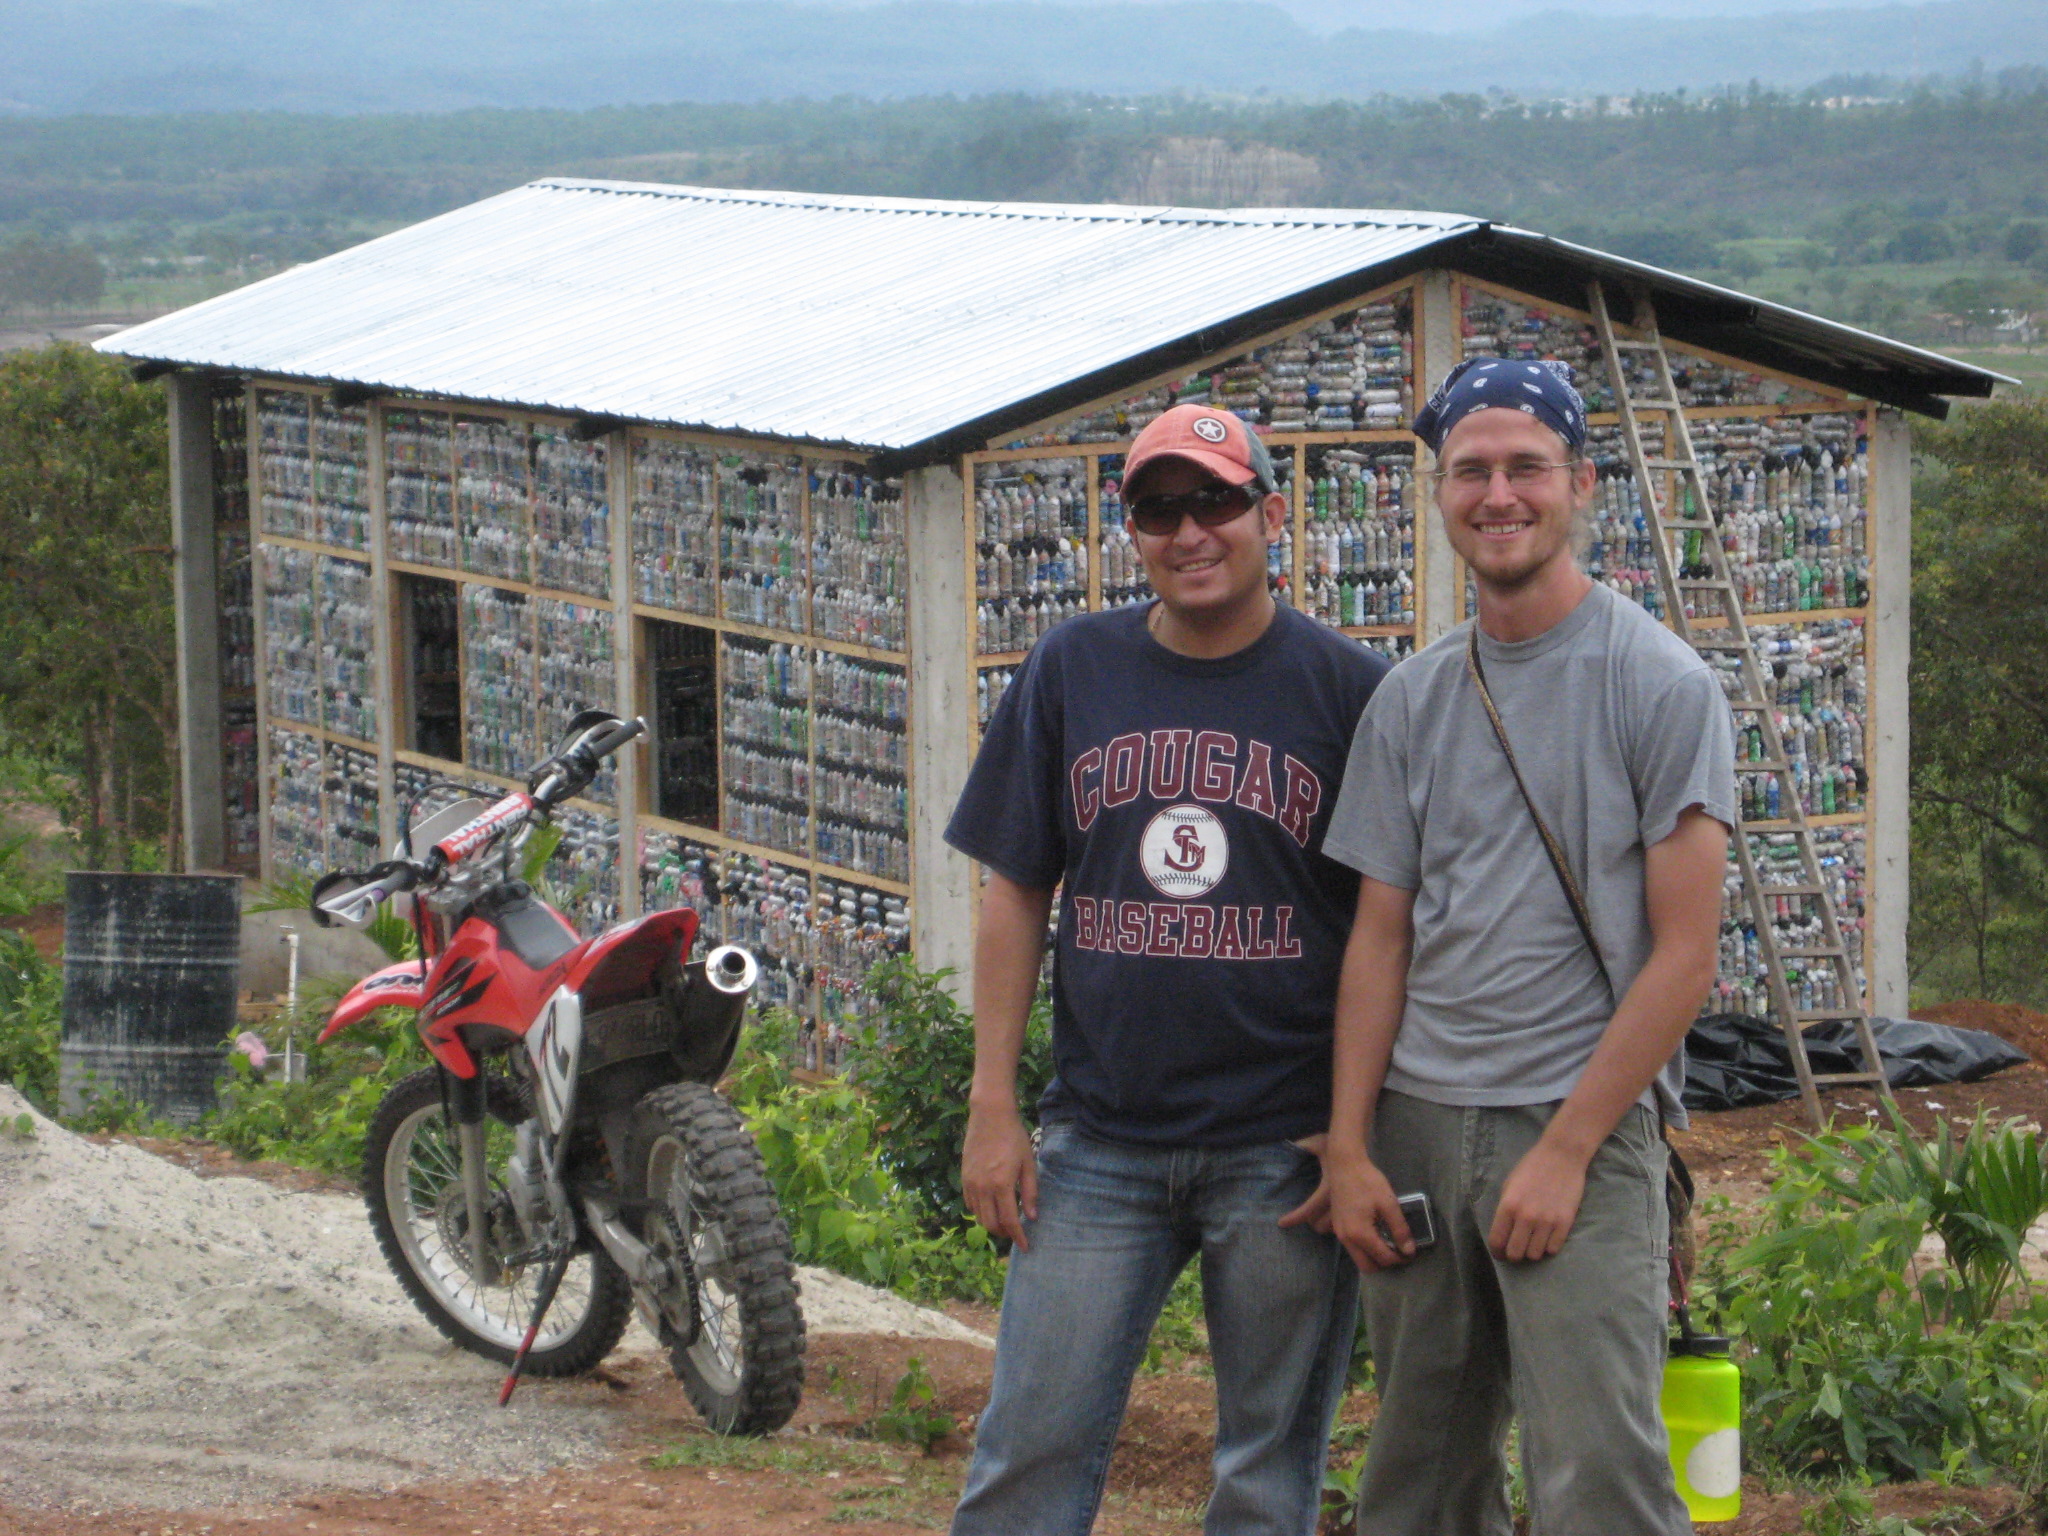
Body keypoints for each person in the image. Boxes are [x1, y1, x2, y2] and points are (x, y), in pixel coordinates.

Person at [1288, 358, 1736, 1535]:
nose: (1498, 495)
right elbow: (1378, 939)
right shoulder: (1413, 698)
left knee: (1595, 1474)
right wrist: (1348, 1144)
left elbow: (1683, 955)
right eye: (1470, 471)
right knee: (1417, 1469)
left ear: (1580, 483)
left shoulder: (1660, 684)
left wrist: (1569, 1149)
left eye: (1525, 468)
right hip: (1419, 1129)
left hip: (1573, 1124)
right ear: (1438, 498)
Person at [945, 402, 1389, 1536]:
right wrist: (991, 1104)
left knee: (1265, 1470)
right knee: (1028, 1450)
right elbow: (1013, 889)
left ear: (1271, 515)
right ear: (1129, 532)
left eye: (1215, 502)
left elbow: (1389, 930)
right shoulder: (1071, 667)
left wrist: (1350, 1135)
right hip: (1097, 1138)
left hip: (1280, 1149)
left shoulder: (1350, 690)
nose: (1189, 531)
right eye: (1157, 509)